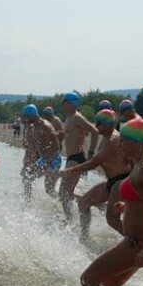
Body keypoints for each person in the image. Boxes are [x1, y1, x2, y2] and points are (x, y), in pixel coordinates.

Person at [80, 118, 143, 286]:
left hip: (138, 245)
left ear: (136, 142)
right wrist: (129, 205)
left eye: (123, 142)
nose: (119, 146)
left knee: (88, 280)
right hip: (136, 242)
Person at [59, 109, 133, 239]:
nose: (96, 125)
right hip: (112, 181)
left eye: (99, 123)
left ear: (108, 124)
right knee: (83, 203)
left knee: (112, 220)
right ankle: (84, 237)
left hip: (121, 182)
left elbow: (94, 163)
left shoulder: (112, 140)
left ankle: (134, 241)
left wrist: (68, 171)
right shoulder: (106, 138)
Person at [58, 92, 99, 221]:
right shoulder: (69, 118)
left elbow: (95, 131)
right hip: (71, 157)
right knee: (66, 193)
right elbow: (84, 133)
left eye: (64, 102)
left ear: (70, 103)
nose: (62, 105)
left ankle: (70, 221)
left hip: (77, 157)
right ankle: (90, 203)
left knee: (63, 192)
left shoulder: (77, 117)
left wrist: (91, 153)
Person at [20, 105, 61, 204]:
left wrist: (45, 161)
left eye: (26, 118)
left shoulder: (46, 126)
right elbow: (37, 146)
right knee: (27, 177)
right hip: (44, 159)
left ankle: (67, 201)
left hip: (53, 161)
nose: (25, 120)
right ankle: (27, 203)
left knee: (48, 189)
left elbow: (56, 147)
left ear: (32, 116)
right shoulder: (35, 126)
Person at [42, 106, 65, 194]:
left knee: (49, 187)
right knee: (48, 186)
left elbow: (62, 134)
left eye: (47, 115)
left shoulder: (56, 120)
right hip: (48, 154)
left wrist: (55, 143)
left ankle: (60, 200)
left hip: (55, 154)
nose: (46, 117)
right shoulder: (47, 121)